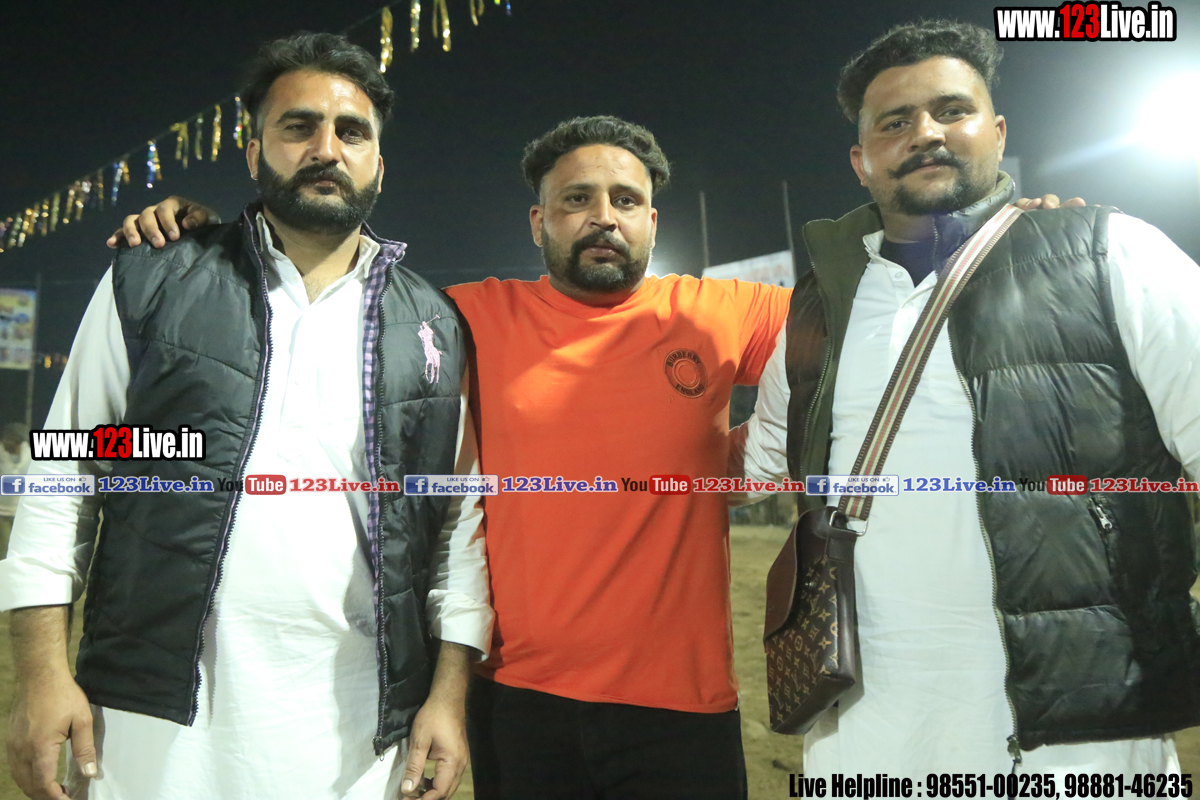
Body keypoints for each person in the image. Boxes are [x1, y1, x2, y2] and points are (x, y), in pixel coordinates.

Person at [0, 33, 492, 800]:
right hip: (150, 730)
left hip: (362, 739)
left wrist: (448, 695)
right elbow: (65, 474)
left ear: (378, 163)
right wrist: (39, 675)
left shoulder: (429, 325)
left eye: (351, 132)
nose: (325, 148)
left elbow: (456, 526)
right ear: (254, 151)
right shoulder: (155, 281)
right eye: (299, 126)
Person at [742, 19, 1200, 777]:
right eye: (894, 122)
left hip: (1077, 740)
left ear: (998, 131)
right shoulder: (821, 304)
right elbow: (753, 467)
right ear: (861, 161)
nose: (926, 133)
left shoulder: (1110, 254)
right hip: (866, 733)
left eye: (952, 110)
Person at [0, 421, 31, 555]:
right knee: (4, 549)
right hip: (2, 512)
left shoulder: (29, 455)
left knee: (20, 548)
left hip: (22, 511)